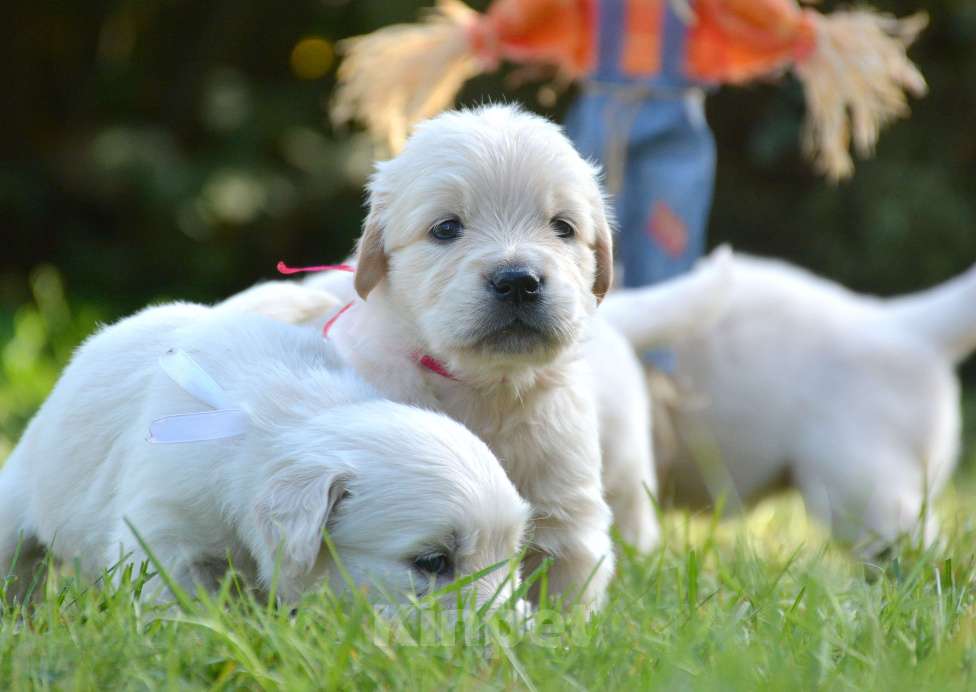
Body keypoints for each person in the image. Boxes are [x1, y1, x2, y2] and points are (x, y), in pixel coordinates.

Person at [332, 0, 927, 361]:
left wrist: (809, 38)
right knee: (573, 241)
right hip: (603, 119)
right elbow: (531, 14)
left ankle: (659, 380)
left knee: (667, 243)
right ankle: (596, 369)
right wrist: (475, 38)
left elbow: (758, 16)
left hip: (673, 124)